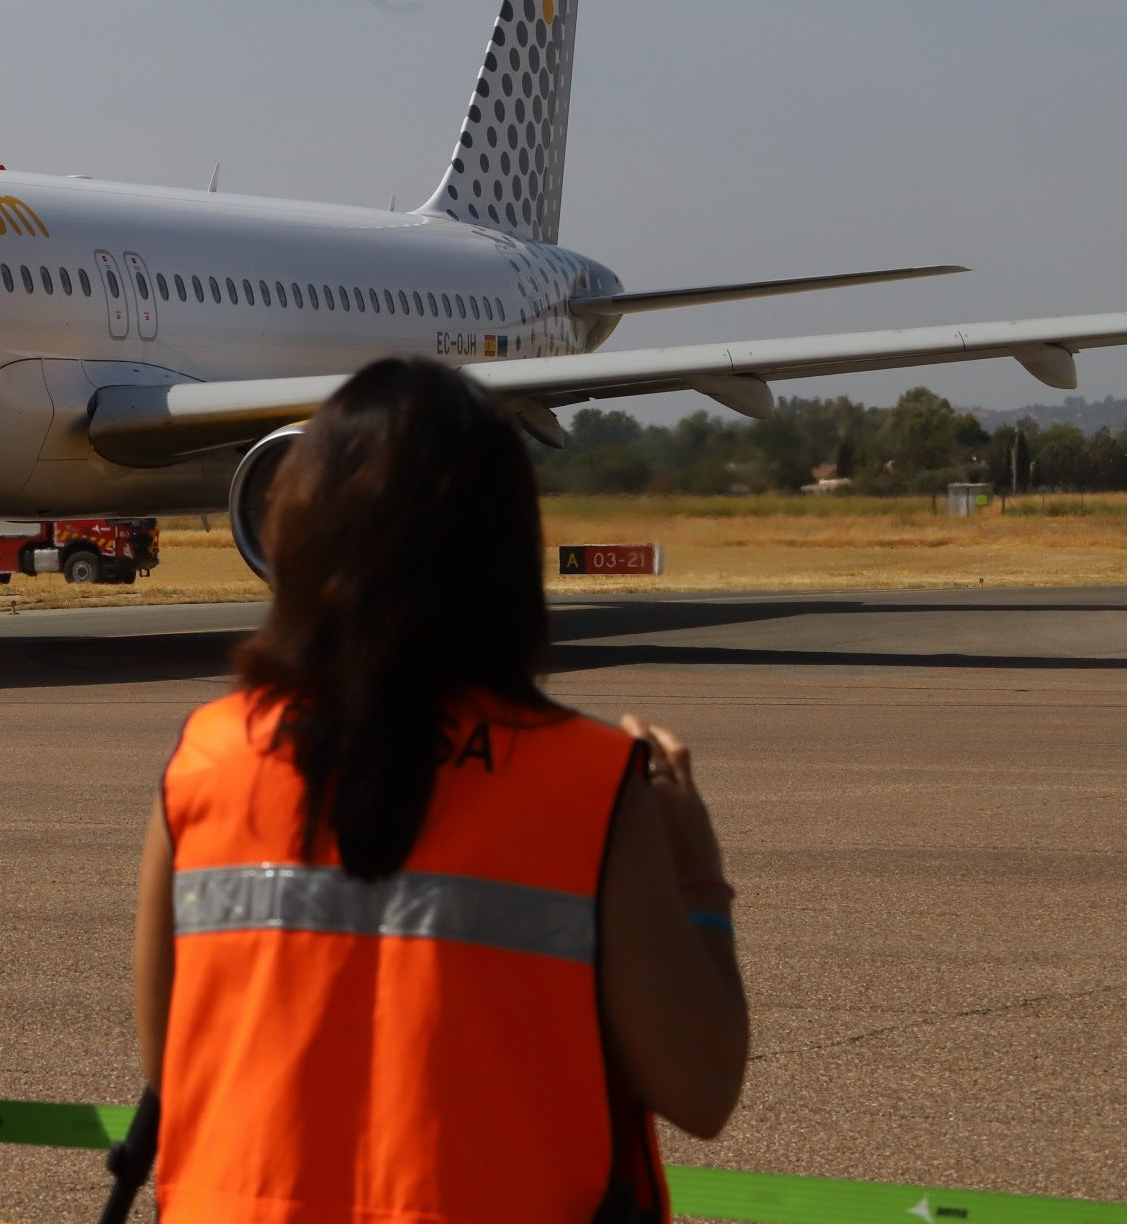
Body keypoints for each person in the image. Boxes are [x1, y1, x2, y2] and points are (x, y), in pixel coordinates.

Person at [133, 358, 748, 1222]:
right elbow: (704, 1086)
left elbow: (177, 1070)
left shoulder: (205, 761)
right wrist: (696, 873)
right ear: (504, 551)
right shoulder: (586, 785)